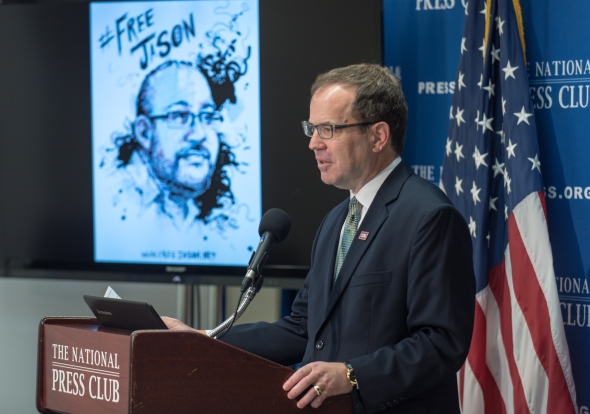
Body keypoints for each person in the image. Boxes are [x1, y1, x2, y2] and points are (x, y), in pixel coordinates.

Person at [164, 63, 475, 414]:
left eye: (329, 128)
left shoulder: (429, 217)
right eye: (312, 128)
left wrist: (353, 375)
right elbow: (302, 328)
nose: (314, 143)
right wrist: (204, 340)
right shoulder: (336, 221)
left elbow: (442, 343)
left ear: (378, 136)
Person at [102, 60, 237, 231]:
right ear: (145, 132)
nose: (199, 134)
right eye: (180, 116)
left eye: (208, 117)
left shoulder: (206, 216)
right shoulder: (113, 200)